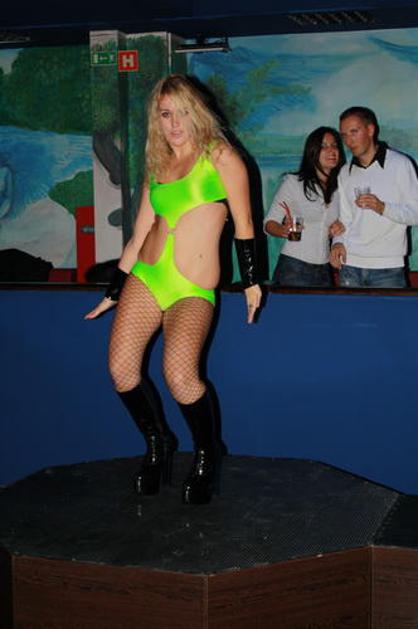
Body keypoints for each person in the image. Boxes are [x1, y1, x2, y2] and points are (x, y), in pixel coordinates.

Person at [85, 74, 262, 505]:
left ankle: (207, 452)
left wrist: (252, 280)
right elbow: (139, 234)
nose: (174, 123)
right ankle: (157, 442)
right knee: (121, 371)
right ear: (156, 118)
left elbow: (245, 225)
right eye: (166, 114)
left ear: (197, 112)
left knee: (180, 377)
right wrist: (114, 289)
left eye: (182, 112)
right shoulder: (157, 164)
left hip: (192, 287)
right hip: (148, 276)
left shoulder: (221, 156)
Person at [330, 106, 418, 287]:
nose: (348, 141)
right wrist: (337, 243)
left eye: (354, 132)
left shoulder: (400, 164)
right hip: (349, 264)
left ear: (370, 130)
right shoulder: (345, 172)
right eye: (344, 135)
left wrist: (383, 207)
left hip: (388, 268)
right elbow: (344, 219)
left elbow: (416, 214)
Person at [264, 127, 345, 287]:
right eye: (324, 146)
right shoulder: (293, 183)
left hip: (324, 269)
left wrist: (339, 228)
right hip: (294, 267)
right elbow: (269, 223)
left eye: (334, 145)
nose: (331, 150)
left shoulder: (341, 187)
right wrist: (283, 230)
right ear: (313, 152)